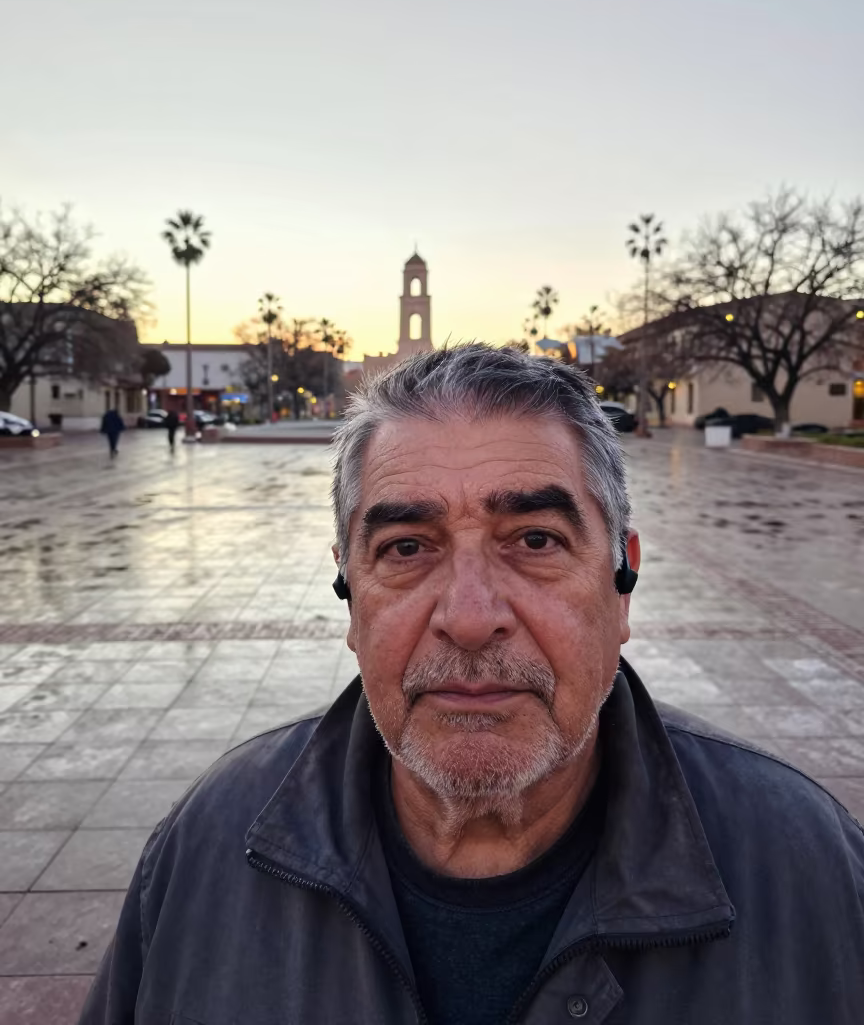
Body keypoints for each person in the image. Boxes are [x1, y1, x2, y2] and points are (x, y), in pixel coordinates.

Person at [80, 345, 864, 1025]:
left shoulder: (811, 871)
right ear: (349, 591)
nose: (468, 616)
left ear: (620, 581)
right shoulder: (207, 851)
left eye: (533, 539)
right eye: (407, 547)